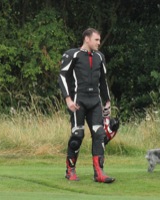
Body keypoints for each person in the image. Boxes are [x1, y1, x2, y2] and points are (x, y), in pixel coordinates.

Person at [58, 28, 117, 183]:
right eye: (96, 40)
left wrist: (107, 101)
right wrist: (68, 99)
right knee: (77, 135)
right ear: (87, 39)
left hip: (95, 101)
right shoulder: (73, 54)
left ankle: (99, 173)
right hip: (78, 101)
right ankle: (70, 170)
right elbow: (62, 77)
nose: (99, 43)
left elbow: (103, 80)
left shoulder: (100, 57)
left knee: (99, 134)